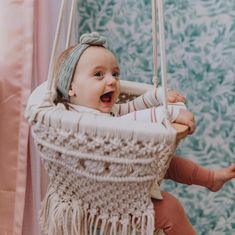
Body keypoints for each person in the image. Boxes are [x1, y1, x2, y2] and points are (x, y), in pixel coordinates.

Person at [54, 32, 235, 235]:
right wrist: (168, 112)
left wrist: (157, 96)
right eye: (99, 74)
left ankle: (211, 179)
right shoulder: (76, 118)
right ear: (70, 87)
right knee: (169, 208)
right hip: (106, 199)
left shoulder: (102, 108)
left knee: (168, 162)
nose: (112, 81)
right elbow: (124, 125)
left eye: (115, 74)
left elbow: (130, 108)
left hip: (125, 178)